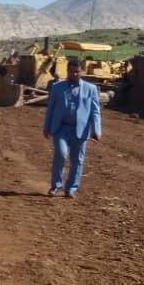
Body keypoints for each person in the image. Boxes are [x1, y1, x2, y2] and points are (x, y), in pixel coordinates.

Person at [44, 58, 101, 198]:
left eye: (77, 71)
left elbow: (95, 111)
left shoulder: (91, 89)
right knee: (61, 154)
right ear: (67, 72)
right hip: (61, 128)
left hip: (80, 129)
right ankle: (56, 186)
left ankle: (71, 188)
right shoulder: (57, 87)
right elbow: (50, 109)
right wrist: (46, 127)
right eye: (71, 71)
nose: (74, 74)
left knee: (77, 160)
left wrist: (97, 130)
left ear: (82, 71)